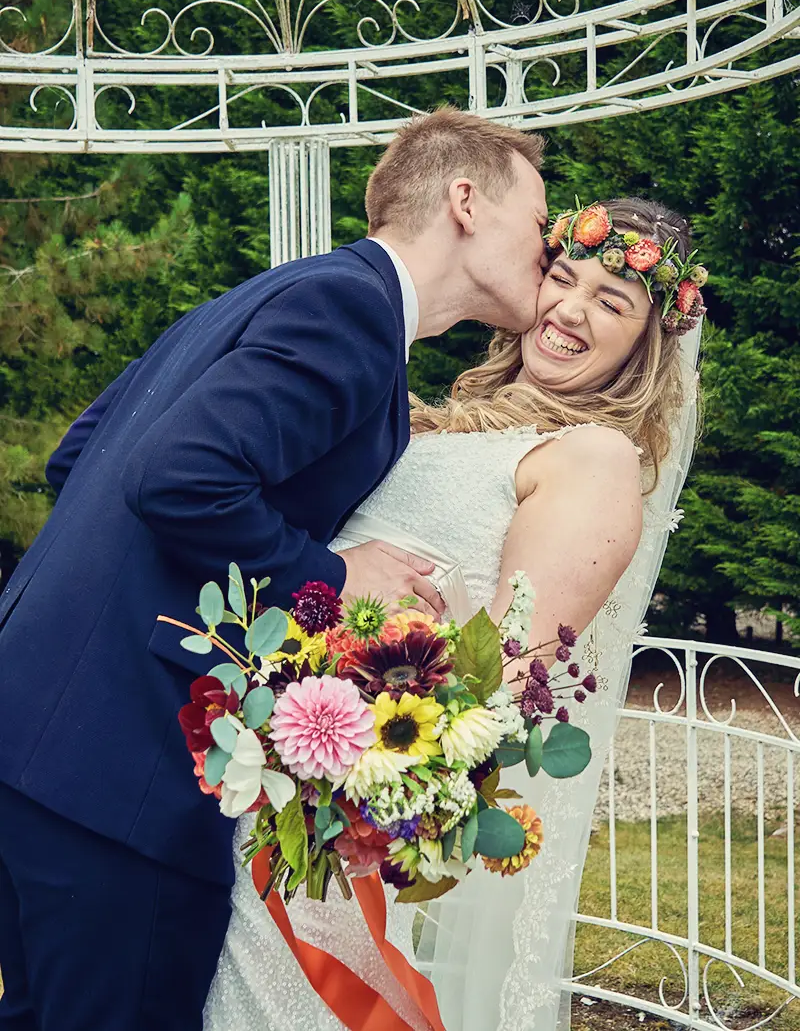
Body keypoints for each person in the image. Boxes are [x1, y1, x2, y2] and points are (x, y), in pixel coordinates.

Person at [0, 109, 548, 1031]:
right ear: (464, 200)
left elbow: (80, 455)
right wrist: (334, 573)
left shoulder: (278, 291)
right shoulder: (351, 314)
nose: (545, 245)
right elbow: (178, 478)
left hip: (34, 734)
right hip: (120, 777)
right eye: (537, 220)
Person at [202, 196, 704, 1030]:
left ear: (648, 347)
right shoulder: (446, 418)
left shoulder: (596, 458)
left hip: (325, 811)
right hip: (254, 758)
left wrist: (336, 783)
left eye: (610, 303)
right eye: (561, 276)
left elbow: (503, 683)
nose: (569, 311)